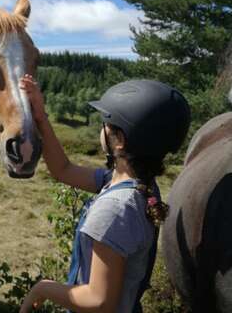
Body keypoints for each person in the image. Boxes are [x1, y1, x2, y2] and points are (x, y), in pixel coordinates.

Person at [18, 75, 190, 313]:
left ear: (119, 140)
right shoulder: (140, 186)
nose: (101, 127)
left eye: (105, 123)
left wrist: (43, 288)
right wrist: (40, 117)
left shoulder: (115, 209)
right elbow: (63, 170)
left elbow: (99, 301)